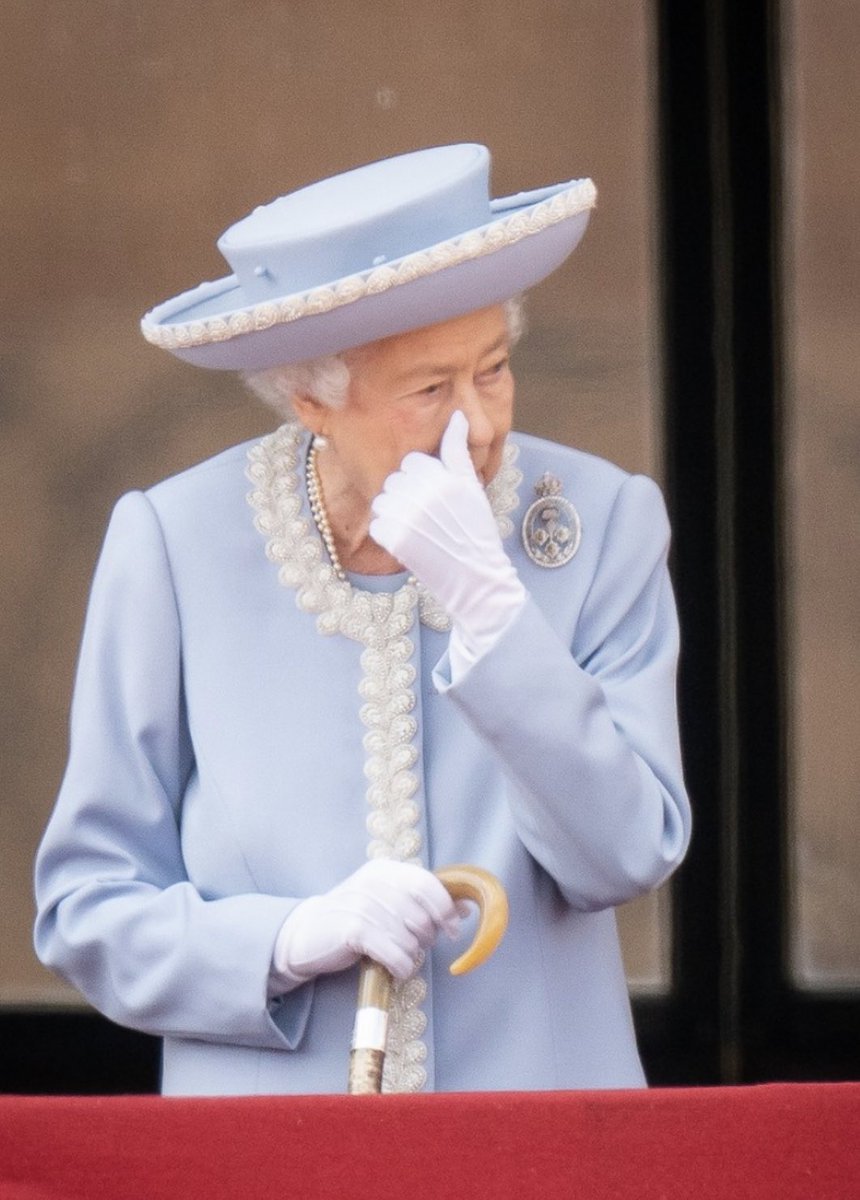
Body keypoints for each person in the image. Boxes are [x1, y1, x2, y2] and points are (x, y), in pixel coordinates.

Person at [34, 144, 690, 1096]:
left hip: (537, 1147)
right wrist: (290, 938)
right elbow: (85, 911)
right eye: (430, 391)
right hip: (268, 1154)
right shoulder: (175, 545)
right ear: (311, 400)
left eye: (494, 370)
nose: (479, 424)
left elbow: (626, 853)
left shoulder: (601, 523)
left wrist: (493, 613)